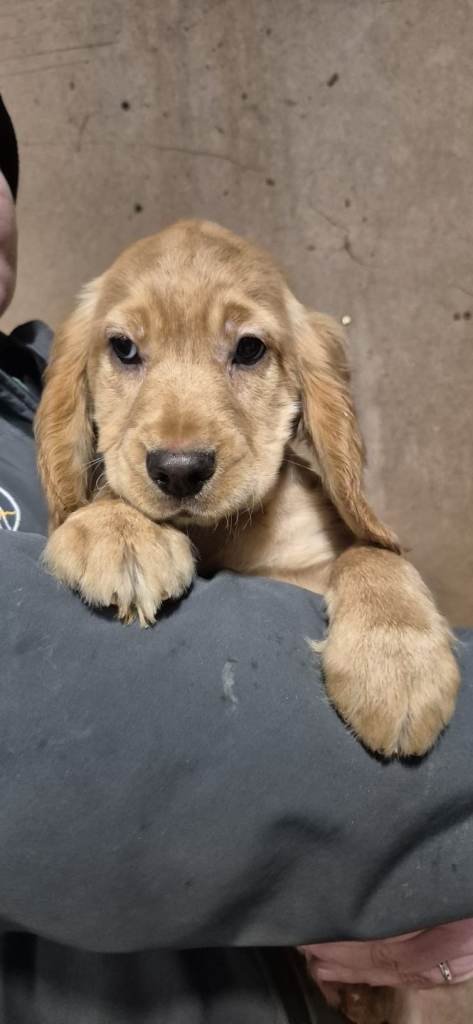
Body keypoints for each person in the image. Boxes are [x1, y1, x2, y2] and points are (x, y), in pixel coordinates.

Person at [1, 95, 473, 1024]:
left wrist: (372, 574)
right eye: (127, 352)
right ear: (80, 389)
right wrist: (91, 515)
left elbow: (354, 565)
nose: (178, 445)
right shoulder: (64, 431)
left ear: (309, 386)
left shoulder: (28, 385)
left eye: (246, 350)